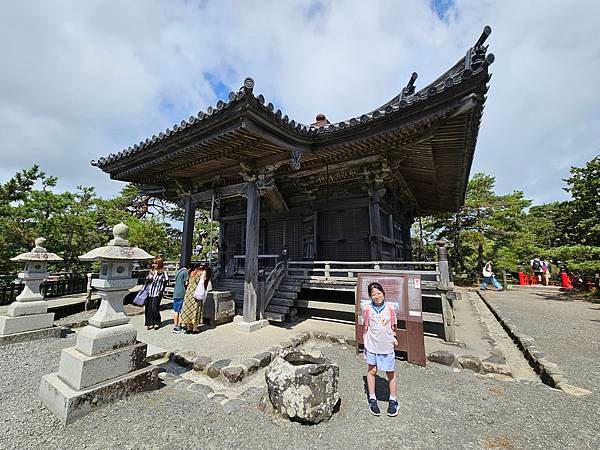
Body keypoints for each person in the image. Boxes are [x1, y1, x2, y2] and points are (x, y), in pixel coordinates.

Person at [362, 282, 399, 417]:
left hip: (387, 345)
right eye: (373, 294)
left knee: (390, 372)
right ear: (370, 296)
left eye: (379, 293)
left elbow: (394, 326)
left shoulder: (390, 308)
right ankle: (372, 398)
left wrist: (394, 337)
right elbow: (365, 326)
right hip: (372, 345)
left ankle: (393, 399)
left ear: (383, 293)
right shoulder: (367, 309)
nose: (377, 296)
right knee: (372, 371)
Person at [180, 265, 211, 334]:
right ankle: (195, 328)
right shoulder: (202, 272)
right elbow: (202, 282)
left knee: (188, 309)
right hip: (196, 293)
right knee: (196, 310)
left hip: (188, 293)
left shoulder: (192, 272)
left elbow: (187, 283)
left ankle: (188, 328)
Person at [144, 257, 169, 330]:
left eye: (156, 263)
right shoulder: (151, 271)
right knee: (148, 308)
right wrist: (148, 280)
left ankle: (157, 322)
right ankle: (150, 322)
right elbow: (147, 281)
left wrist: (162, 291)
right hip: (150, 291)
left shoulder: (163, 272)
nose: (154, 265)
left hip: (157, 292)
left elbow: (165, 281)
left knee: (154, 307)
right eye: (153, 263)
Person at [171, 262, 191, 334]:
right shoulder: (185, 272)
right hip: (181, 292)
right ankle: (179, 326)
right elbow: (186, 283)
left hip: (176, 292)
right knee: (180, 311)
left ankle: (175, 325)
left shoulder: (178, 271)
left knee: (176, 310)